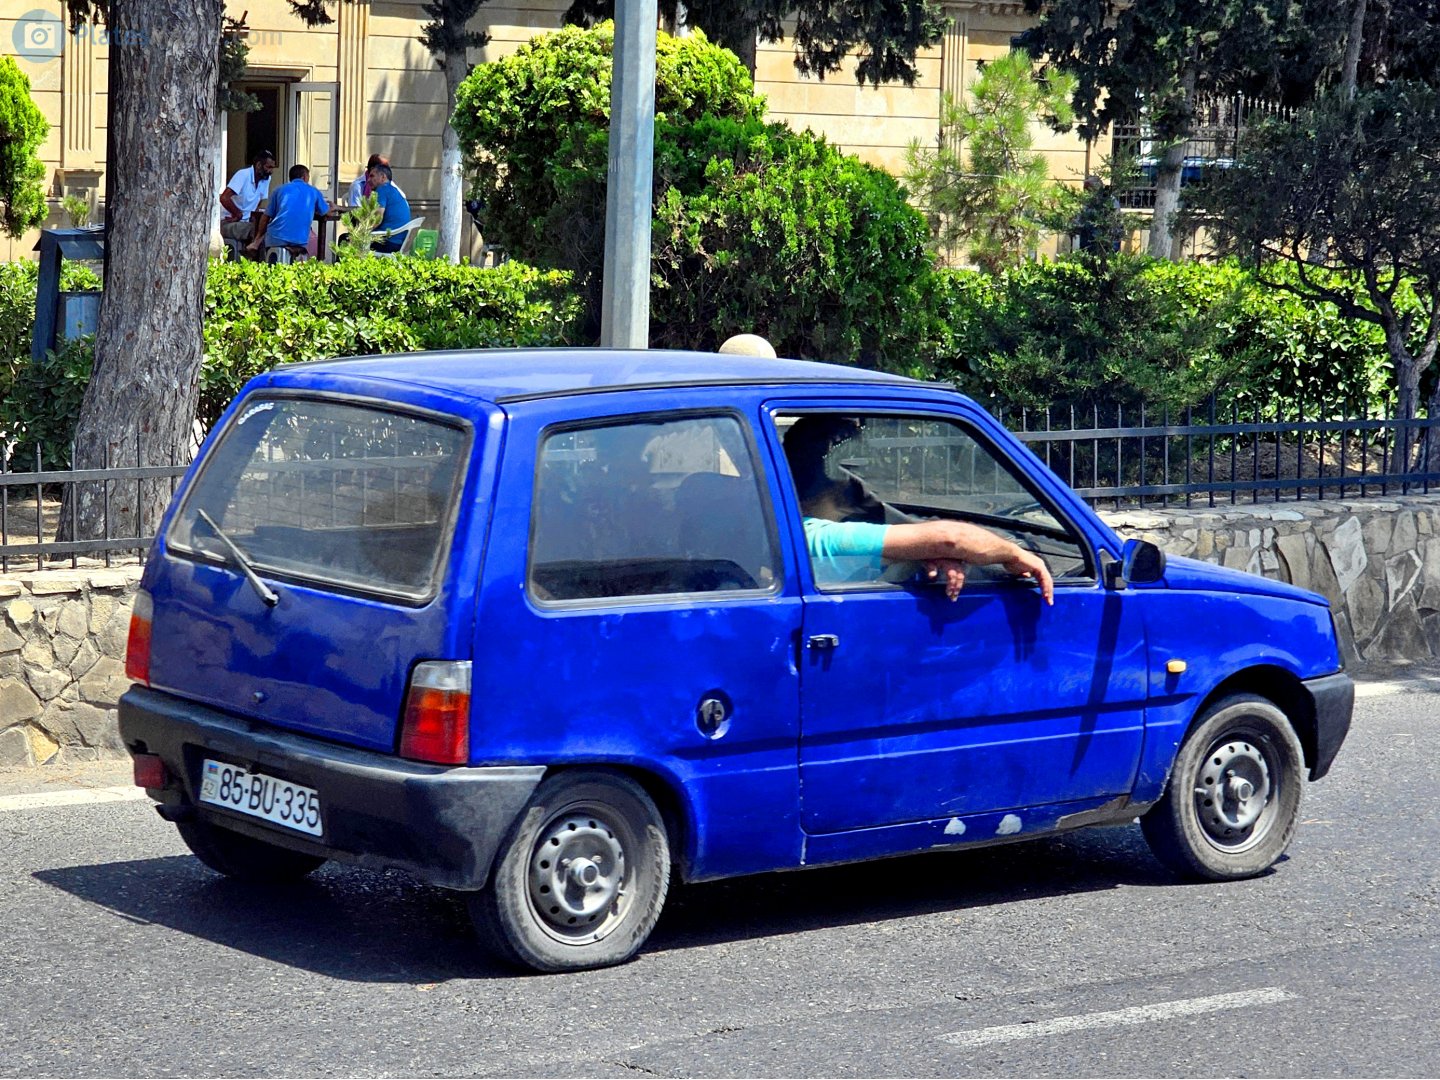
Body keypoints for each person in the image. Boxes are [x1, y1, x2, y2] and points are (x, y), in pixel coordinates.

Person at [782, 415, 1054, 604]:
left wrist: (923, 554)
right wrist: (1014, 554)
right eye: (857, 475)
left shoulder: (781, 531)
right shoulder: (816, 538)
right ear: (840, 482)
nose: (863, 486)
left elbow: (924, 547)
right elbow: (951, 539)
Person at [246, 164, 330, 259]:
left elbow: (266, 217)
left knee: (268, 230)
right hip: (300, 240)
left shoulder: (278, 190)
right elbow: (325, 212)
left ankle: (257, 247)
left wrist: (258, 237)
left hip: (276, 239)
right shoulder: (314, 191)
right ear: (304, 177)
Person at [219, 151, 277, 248]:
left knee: (269, 228)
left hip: (246, 222)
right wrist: (238, 214)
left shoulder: (266, 178)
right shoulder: (243, 175)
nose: (271, 171)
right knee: (255, 230)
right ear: (258, 165)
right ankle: (252, 258)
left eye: (272, 168)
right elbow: (224, 198)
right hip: (228, 222)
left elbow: (259, 201)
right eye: (269, 167)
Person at [368, 163, 413, 253]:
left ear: (383, 177)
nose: (369, 180)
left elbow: (377, 219)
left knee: (345, 238)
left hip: (388, 243)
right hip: (399, 243)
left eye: (372, 176)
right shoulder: (393, 190)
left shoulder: (382, 190)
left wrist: (359, 233)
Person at [1074, 174, 1123, 255]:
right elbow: (1081, 219)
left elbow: (1114, 222)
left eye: (1088, 190)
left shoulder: (1110, 201)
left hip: (1107, 243)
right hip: (1088, 242)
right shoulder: (1089, 202)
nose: (1087, 192)